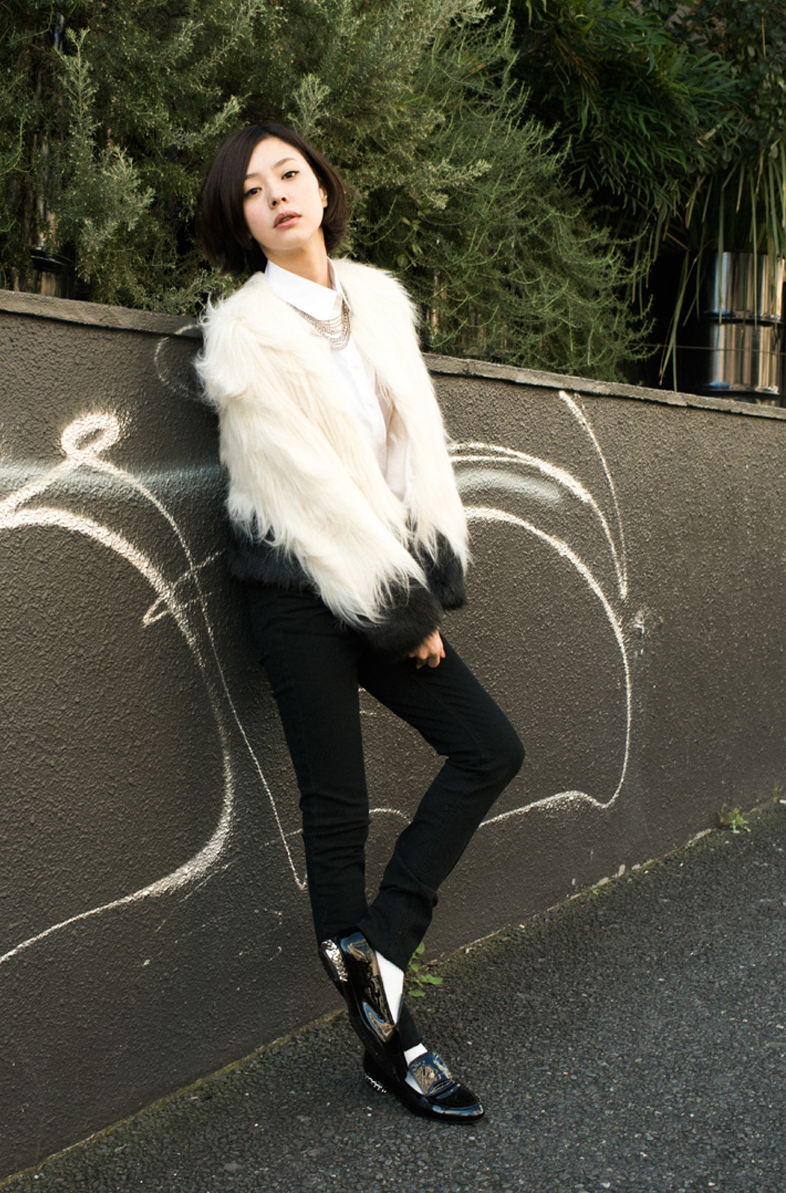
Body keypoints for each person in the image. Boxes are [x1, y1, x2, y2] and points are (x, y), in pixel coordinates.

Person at [195, 123, 524, 1122]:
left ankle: (381, 945)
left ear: (321, 187)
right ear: (241, 222)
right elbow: (305, 491)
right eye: (252, 191)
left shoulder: (376, 303)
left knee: (489, 747)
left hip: (379, 572)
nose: (276, 195)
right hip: (295, 588)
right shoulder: (242, 333)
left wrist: (423, 569)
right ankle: (393, 1046)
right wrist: (401, 610)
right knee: (336, 811)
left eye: (288, 173)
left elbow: (411, 452)